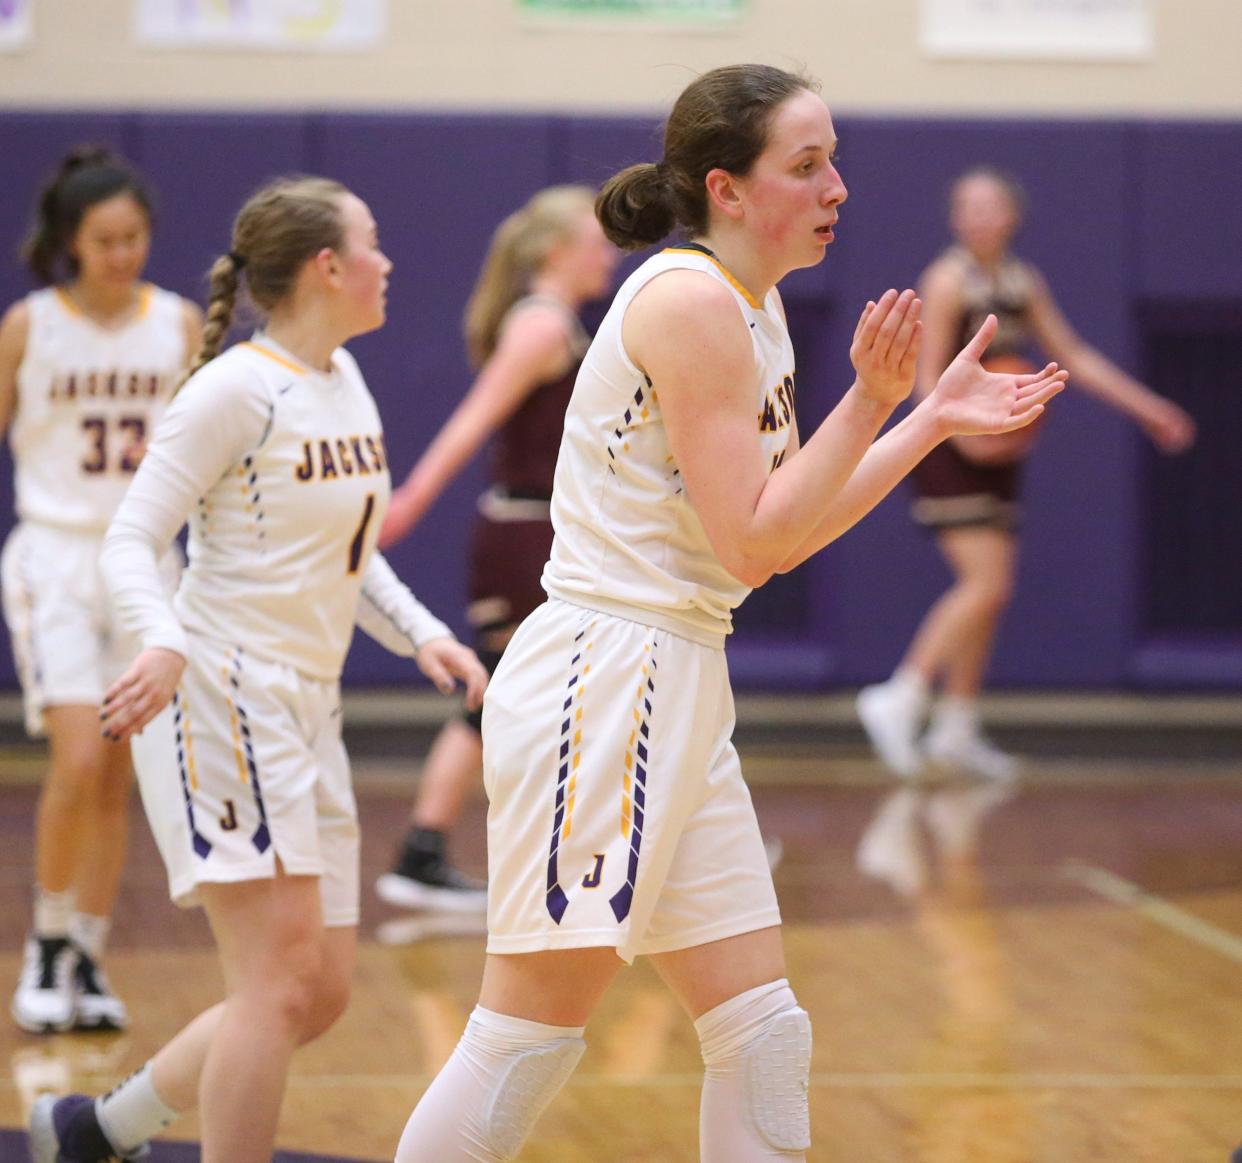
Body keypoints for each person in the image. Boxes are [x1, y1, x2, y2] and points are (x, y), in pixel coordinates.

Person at [392, 64, 1065, 1163]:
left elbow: (784, 528)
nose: (837, 185)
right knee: (521, 1039)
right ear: (729, 187)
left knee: (761, 1031)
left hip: (676, 674)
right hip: (606, 679)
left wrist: (925, 418)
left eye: (835, 158)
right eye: (807, 165)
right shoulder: (690, 300)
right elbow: (756, 539)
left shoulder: (752, 314)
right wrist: (875, 402)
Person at [28, 175, 488, 1163]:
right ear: (328, 266)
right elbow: (131, 537)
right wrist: (158, 634)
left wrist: (421, 633)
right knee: (274, 984)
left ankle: (98, 1128)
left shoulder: (342, 380)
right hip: (220, 699)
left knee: (316, 993)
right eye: (374, 243)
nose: (388, 261)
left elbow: (350, 554)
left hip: (303, 707)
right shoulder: (232, 390)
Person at [856, 166, 1195, 782]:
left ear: (1011, 216)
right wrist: (960, 431)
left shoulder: (1020, 281)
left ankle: (955, 728)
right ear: (956, 219)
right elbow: (924, 381)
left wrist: (1148, 408)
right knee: (985, 585)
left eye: (989, 206)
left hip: (995, 447)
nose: (978, 217)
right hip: (949, 447)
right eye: (966, 206)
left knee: (994, 592)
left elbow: (1076, 354)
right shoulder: (947, 277)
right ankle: (899, 694)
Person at [0, 146, 202, 1035]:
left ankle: (87, 947)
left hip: (147, 560)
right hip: (55, 553)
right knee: (77, 757)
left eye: (135, 237)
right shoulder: (29, 325)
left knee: (122, 769)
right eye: (105, 239)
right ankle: (43, 942)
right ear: (71, 243)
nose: (123, 253)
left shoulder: (180, 324)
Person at [376, 185, 618, 914]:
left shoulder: (564, 325)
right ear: (554, 252)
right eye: (593, 238)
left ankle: (624, 845)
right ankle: (426, 850)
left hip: (547, 533)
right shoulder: (542, 326)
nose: (607, 252)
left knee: (550, 696)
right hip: (524, 537)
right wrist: (410, 501)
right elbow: (473, 419)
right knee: (500, 693)